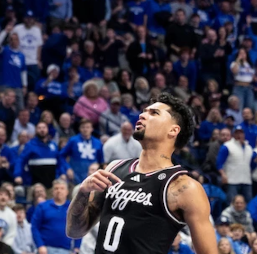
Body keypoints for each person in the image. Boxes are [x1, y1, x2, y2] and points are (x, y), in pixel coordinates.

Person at [66, 94, 217, 254]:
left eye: (154, 113)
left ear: (173, 130)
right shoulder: (115, 168)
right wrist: (83, 192)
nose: (142, 115)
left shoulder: (184, 188)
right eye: (144, 111)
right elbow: (74, 232)